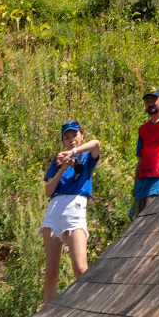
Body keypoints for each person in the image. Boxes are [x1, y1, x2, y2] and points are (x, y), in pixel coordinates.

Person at [40, 120, 101, 305]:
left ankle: (88, 308)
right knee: (51, 271)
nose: (71, 139)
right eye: (67, 137)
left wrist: (74, 153)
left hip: (75, 207)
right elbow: (48, 191)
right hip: (55, 208)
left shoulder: (86, 156)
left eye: (74, 135)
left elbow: (97, 144)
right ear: (63, 140)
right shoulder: (58, 161)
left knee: (81, 268)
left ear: (81, 135)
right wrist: (63, 167)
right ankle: (47, 315)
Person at [130, 88, 159, 219]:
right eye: (147, 101)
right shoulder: (143, 129)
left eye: (154, 100)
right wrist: (135, 185)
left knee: (153, 221)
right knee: (138, 227)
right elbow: (140, 159)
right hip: (142, 183)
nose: (150, 103)